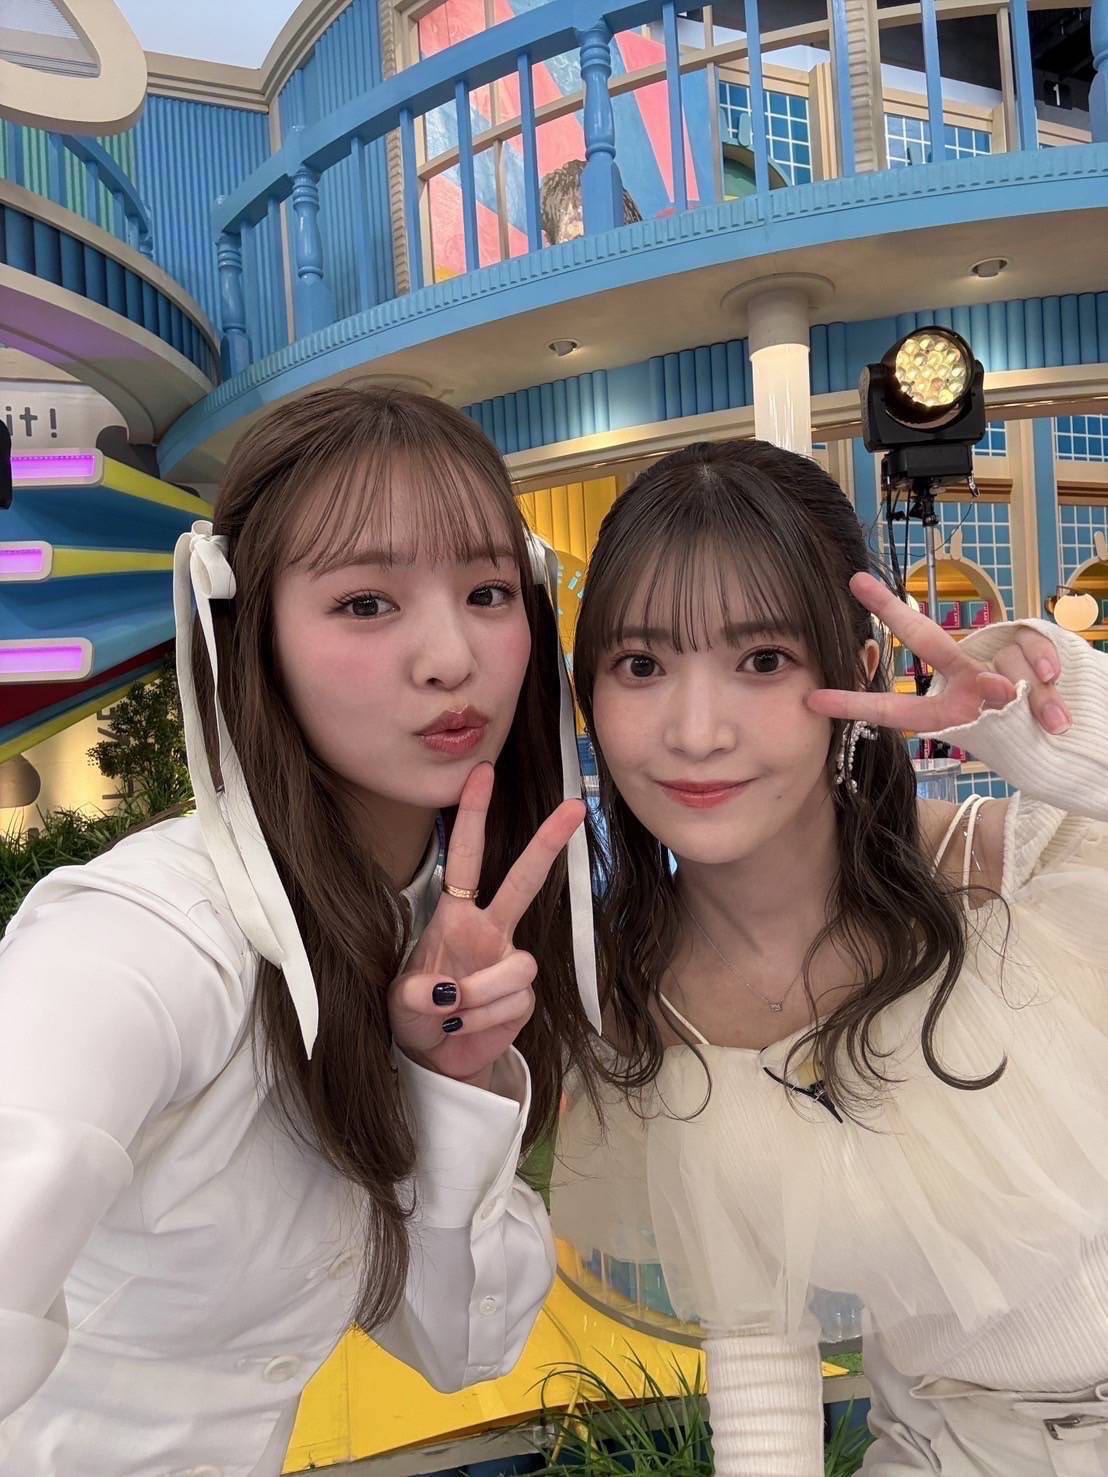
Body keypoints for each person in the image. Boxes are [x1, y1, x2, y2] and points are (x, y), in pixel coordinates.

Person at [0, 385, 602, 1477]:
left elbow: (461, 1347)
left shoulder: (443, 926)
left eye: (486, 591)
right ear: (249, 627)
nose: (450, 656)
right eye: (366, 602)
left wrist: (451, 1080)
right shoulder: (141, 944)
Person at [554, 437, 1108, 1476]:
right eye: (642, 665)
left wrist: (1069, 743)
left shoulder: (1029, 876)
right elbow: (760, 1349)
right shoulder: (650, 1007)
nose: (696, 731)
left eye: (763, 660)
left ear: (860, 674)